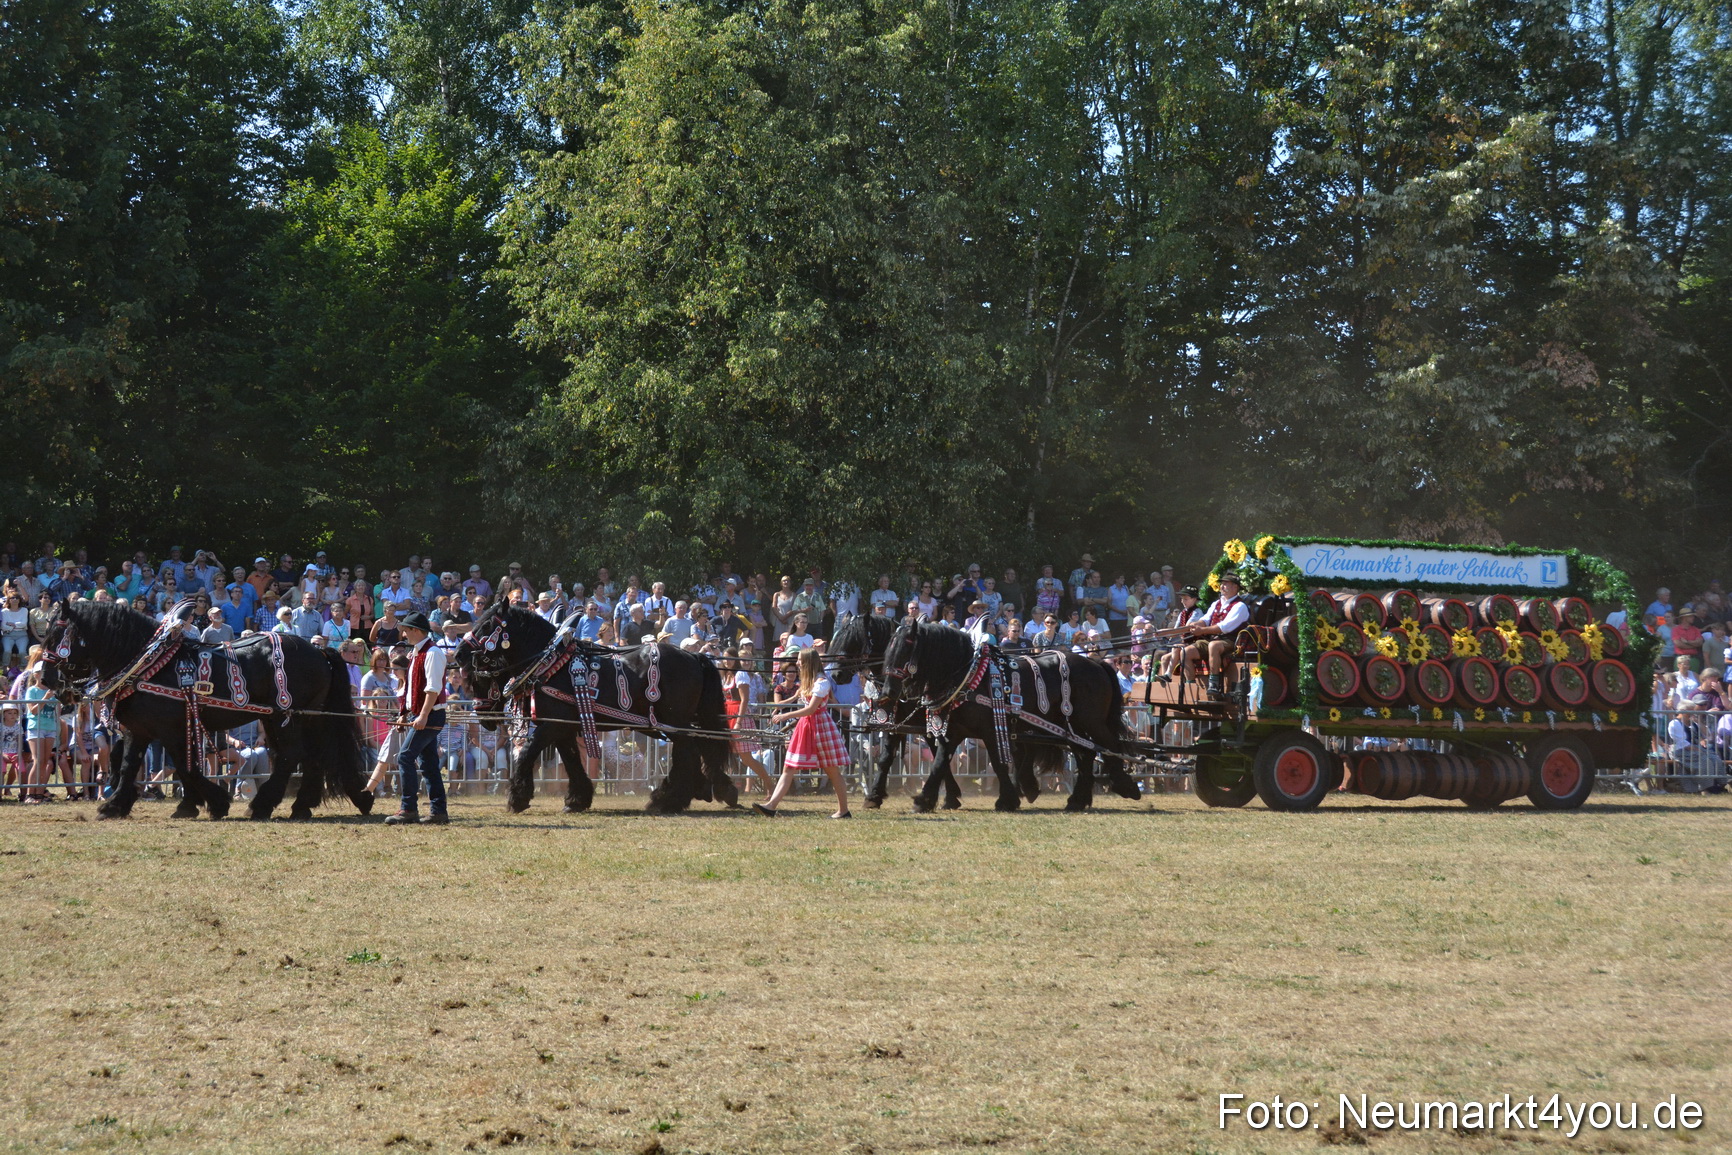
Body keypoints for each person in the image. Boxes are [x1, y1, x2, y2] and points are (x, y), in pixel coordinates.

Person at [754, 648, 852, 819]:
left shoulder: (821, 682)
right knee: (789, 766)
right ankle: (771, 806)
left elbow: (811, 709)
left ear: (808, 662)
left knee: (832, 771)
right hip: (805, 726)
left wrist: (786, 715)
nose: (797, 663)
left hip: (820, 727)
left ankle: (843, 810)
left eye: (800, 660)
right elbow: (792, 701)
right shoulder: (807, 682)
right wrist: (777, 709)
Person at [388, 612, 450, 825]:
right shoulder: (416, 653)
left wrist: (423, 715)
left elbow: (432, 689)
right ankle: (439, 811)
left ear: (415, 630)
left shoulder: (432, 653)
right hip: (421, 713)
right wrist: (403, 714)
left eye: (405, 629)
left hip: (430, 714)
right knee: (429, 763)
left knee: (405, 756)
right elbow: (412, 688)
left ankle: (408, 808)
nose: (403, 633)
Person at [1181, 574, 1250, 698]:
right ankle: (1190, 686)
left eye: (1225, 584)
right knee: (1185, 652)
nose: (1222, 586)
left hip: (1231, 640)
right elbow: (1206, 619)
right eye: (1221, 584)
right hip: (1212, 638)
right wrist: (1194, 624)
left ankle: (1214, 684)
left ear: (1235, 587)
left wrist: (1201, 630)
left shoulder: (1240, 606)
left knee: (1214, 646)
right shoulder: (1216, 603)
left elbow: (1224, 627)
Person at [724, 644, 775, 794]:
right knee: (727, 754)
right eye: (725, 658)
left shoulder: (740, 674)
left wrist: (739, 721)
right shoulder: (726, 675)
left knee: (746, 758)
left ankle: (769, 785)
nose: (727, 661)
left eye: (730, 658)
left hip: (738, 714)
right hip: (728, 714)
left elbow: (744, 699)